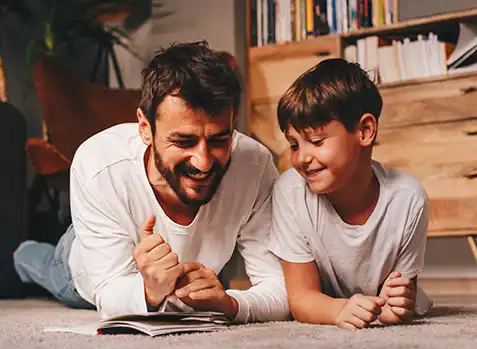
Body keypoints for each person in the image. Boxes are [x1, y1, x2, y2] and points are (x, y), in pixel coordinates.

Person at [6, 41, 289, 323]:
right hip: (85, 267)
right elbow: (107, 292)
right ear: (145, 128)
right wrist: (149, 291)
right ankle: (24, 253)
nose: (203, 162)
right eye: (183, 141)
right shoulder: (99, 166)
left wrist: (229, 303)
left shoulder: (255, 166)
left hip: (164, 271)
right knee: (45, 265)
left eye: (219, 140)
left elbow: (281, 289)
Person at [269, 58, 432, 329]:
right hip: (329, 304)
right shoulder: (290, 192)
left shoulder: (408, 199)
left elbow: (400, 293)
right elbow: (300, 298)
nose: (302, 158)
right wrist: (338, 310)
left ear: (365, 131)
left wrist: (398, 304)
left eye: (317, 141)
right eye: (294, 145)